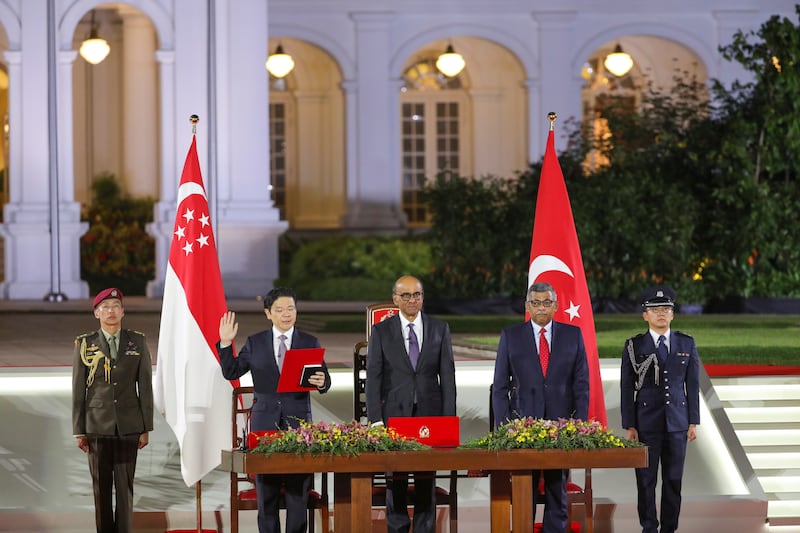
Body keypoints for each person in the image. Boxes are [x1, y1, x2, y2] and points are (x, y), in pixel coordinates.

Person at [217, 287, 331, 533]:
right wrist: (226, 342)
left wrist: (323, 381)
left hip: (299, 426)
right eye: (279, 310)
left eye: (290, 308)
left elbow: (324, 380)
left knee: (297, 493)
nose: (286, 314)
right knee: (266, 493)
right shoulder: (255, 342)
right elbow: (231, 372)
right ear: (268, 313)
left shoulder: (309, 342)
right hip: (264, 425)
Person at [492, 281, 590, 532]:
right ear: (527, 306)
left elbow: (581, 385)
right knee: (525, 488)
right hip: (523, 427)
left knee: (557, 489)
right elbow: (501, 387)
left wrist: (577, 426)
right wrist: (505, 428)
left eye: (547, 303)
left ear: (556, 305)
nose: (542, 308)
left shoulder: (573, 335)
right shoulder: (511, 336)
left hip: (561, 427)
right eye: (536, 303)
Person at [366, 275, 457, 533]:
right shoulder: (382, 332)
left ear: (422, 297)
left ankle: (424, 529)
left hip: (430, 415)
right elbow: (373, 378)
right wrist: (375, 420)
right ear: (395, 299)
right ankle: (397, 528)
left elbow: (448, 379)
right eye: (405, 295)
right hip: (394, 415)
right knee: (395, 479)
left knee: (426, 478)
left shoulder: (440, 328)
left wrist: (448, 421)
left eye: (416, 295)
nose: (411, 300)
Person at [72, 288, 154, 533]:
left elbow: (145, 387)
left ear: (123, 312)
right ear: (96, 313)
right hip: (97, 426)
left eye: (115, 306)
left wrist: (146, 427)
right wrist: (79, 430)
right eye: (105, 307)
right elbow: (78, 390)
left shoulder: (137, 341)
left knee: (125, 488)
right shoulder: (85, 344)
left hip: (129, 426)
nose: (111, 311)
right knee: (101, 489)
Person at [620, 285, 700, 533]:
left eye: (666, 309)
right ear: (645, 315)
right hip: (646, 423)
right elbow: (626, 387)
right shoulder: (634, 346)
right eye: (655, 309)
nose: (661, 313)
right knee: (645, 480)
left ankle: (669, 528)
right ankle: (648, 527)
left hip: (678, 422)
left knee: (674, 480)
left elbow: (692, 384)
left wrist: (693, 421)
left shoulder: (686, 342)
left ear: (673, 314)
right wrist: (630, 424)